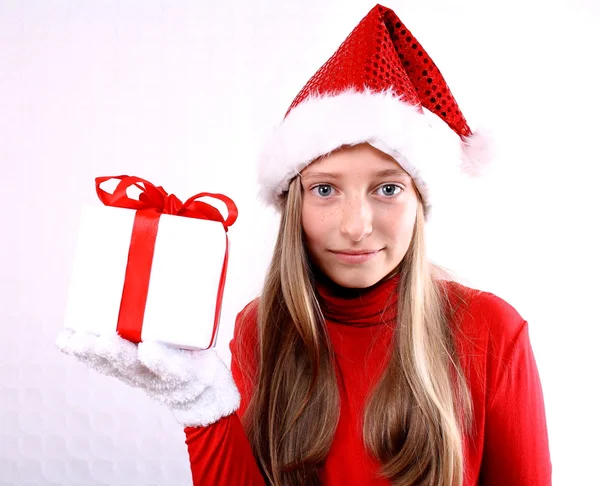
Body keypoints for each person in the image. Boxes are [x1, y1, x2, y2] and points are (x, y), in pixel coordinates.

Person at [56, 4, 552, 485]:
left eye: (387, 188)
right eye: (325, 189)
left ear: (420, 202)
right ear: (293, 203)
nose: (356, 226)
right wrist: (199, 405)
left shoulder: (490, 332)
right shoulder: (259, 329)